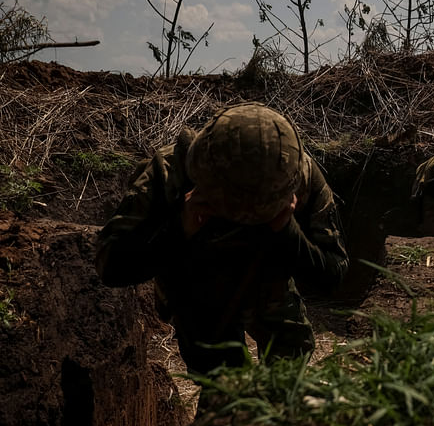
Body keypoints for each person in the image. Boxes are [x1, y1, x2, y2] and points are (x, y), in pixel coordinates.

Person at [96, 102, 349, 374]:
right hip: (197, 289)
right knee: (223, 383)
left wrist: (287, 229)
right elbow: (111, 265)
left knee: (289, 366)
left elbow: (333, 274)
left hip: (268, 282)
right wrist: (180, 228)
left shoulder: (297, 173)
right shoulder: (170, 173)